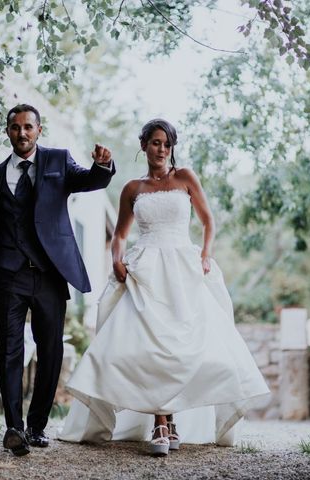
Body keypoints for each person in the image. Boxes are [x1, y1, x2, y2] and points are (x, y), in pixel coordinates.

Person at [58, 119, 269, 455]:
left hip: (183, 268)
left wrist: (205, 255)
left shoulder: (185, 177)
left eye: (167, 144)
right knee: (146, 348)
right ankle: (161, 422)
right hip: (144, 271)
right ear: (143, 146)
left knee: (185, 348)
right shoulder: (132, 188)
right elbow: (121, 235)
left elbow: (208, 220)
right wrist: (117, 259)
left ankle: (168, 421)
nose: (161, 150)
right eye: (155, 143)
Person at [0, 104, 115, 456]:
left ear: (39, 130)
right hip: (6, 275)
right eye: (15, 128)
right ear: (8, 133)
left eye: (28, 127)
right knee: (9, 350)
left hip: (48, 273)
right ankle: (14, 427)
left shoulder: (58, 162)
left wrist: (103, 165)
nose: (22, 133)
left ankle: (37, 426)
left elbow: (90, 180)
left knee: (51, 351)